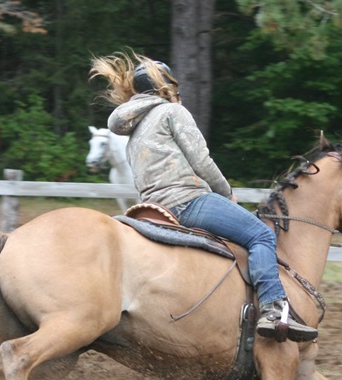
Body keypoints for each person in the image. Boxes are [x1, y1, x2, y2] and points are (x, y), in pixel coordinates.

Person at [90, 52, 318, 342]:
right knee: (261, 234)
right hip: (187, 201)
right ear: (165, 86)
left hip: (152, 207)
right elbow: (202, 161)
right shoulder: (172, 112)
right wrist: (227, 193)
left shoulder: (133, 128)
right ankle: (273, 309)